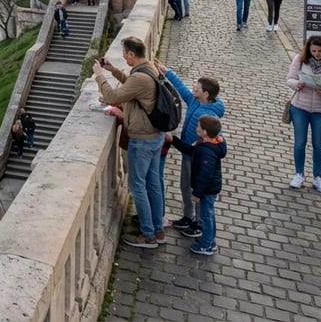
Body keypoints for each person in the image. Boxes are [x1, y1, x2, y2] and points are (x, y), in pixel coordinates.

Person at [94, 37, 164, 248]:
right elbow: (130, 85)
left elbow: (112, 94)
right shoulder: (148, 67)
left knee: (138, 186)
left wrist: (99, 76)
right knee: (153, 184)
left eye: (124, 54)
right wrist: (113, 69)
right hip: (155, 136)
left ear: (132, 54)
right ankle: (157, 227)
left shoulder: (141, 77)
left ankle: (148, 234)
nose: (124, 57)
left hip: (142, 140)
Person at [152, 58, 224, 239]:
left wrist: (199, 146)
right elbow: (182, 89)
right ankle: (188, 216)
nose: (194, 89)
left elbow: (213, 136)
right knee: (185, 186)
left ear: (206, 94)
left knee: (197, 189)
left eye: (197, 88)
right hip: (188, 153)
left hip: (197, 156)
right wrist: (166, 72)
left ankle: (198, 224)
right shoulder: (195, 101)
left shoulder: (209, 113)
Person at [170, 115, 226, 256]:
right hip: (209, 188)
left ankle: (206, 245)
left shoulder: (206, 151)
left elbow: (205, 174)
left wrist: (197, 193)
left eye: (198, 127)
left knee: (206, 217)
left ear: (205, 132)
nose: (196, 128)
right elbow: (190, 150)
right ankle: (210, 240)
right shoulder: (207, 144)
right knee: (209, 215)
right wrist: (174, 140)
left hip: (207, 190)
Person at [286, 35, 321, 193]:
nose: (317, 54)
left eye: (320, 51)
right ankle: (299, 174)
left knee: (318, 145)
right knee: (300, 142)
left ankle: (318, 177)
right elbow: (290, 79)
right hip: (300, 106)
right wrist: (297, 84)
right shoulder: (300, 60)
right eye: (313, 51)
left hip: (320, 110)